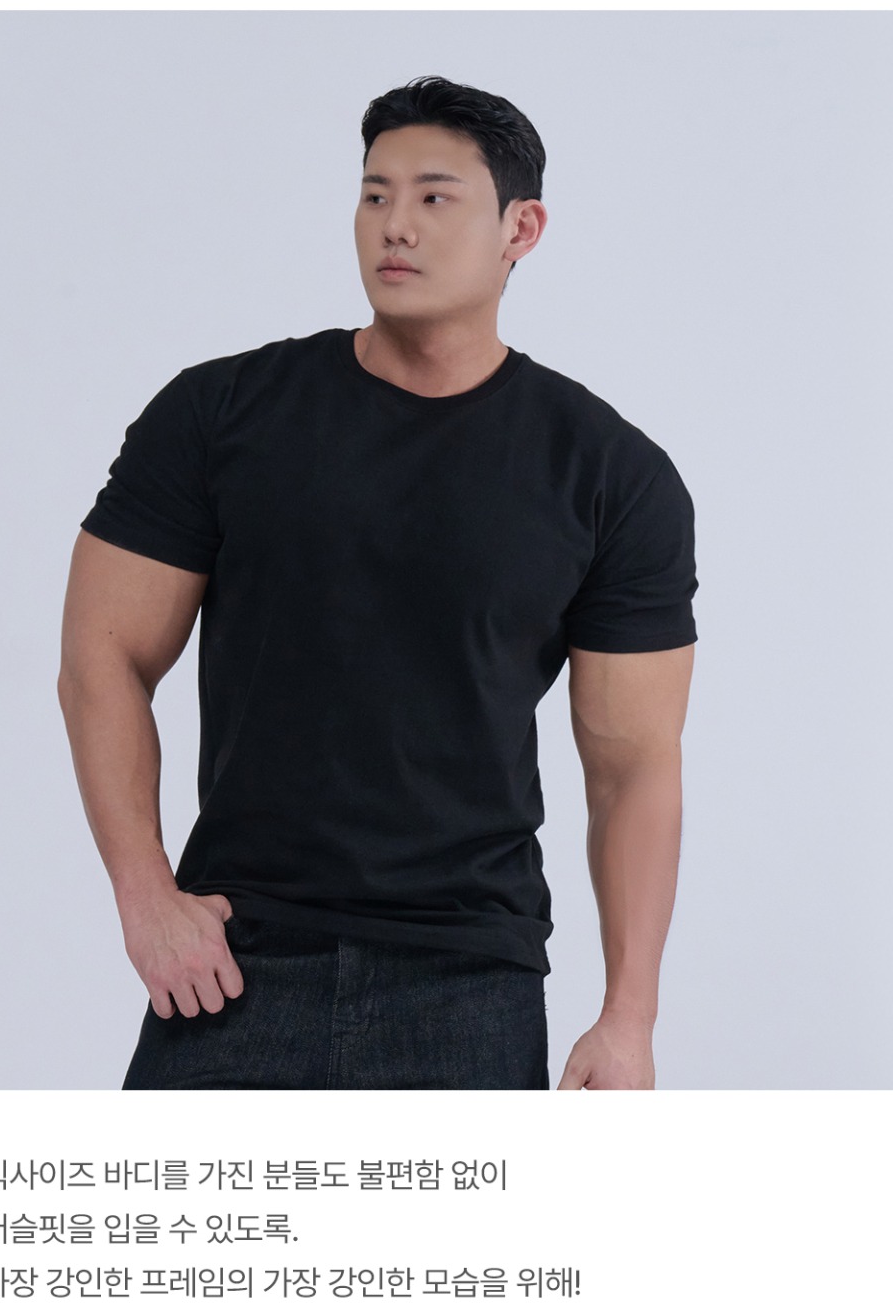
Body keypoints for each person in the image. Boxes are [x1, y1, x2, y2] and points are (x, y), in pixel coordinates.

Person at [58, 75, 697, 1091]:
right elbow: (103, 653)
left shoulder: (610, 474)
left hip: (468, 984)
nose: (395, 224)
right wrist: (145, 897)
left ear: (521, 228)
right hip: (230, 963)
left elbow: (634, 767)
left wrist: (630, 1015)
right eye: (374, 194)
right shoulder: (221, 413)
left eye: (435, 196)